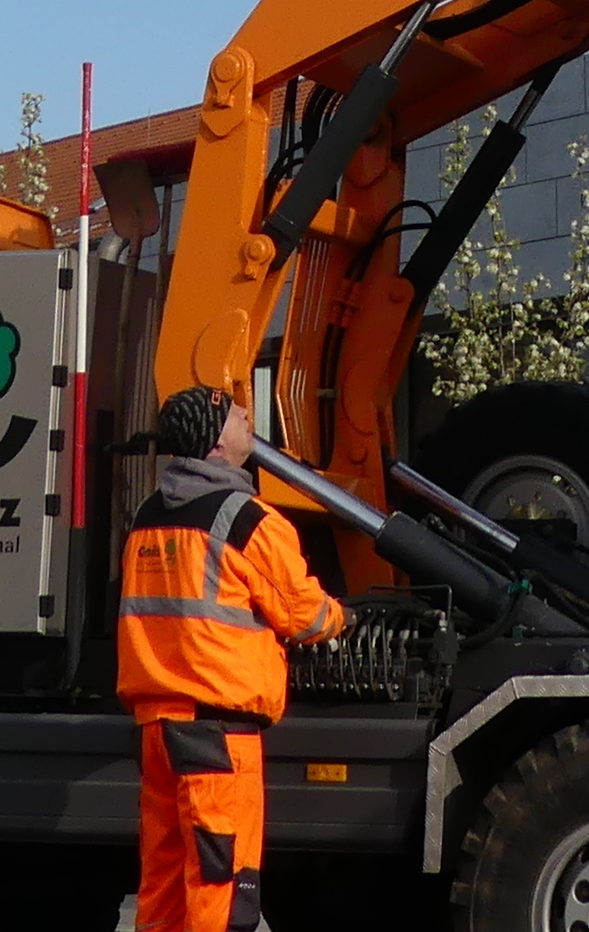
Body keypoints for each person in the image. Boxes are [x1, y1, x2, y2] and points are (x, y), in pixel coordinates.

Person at [116, 385, 346, 932]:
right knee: (223, 880)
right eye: (238, 415)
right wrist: (344, 618)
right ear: (217, 443)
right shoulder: (247, 521)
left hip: (156, 727)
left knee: (166, 880)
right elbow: (304, 615)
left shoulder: (147, 517)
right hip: (218, 733)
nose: (249, 418)